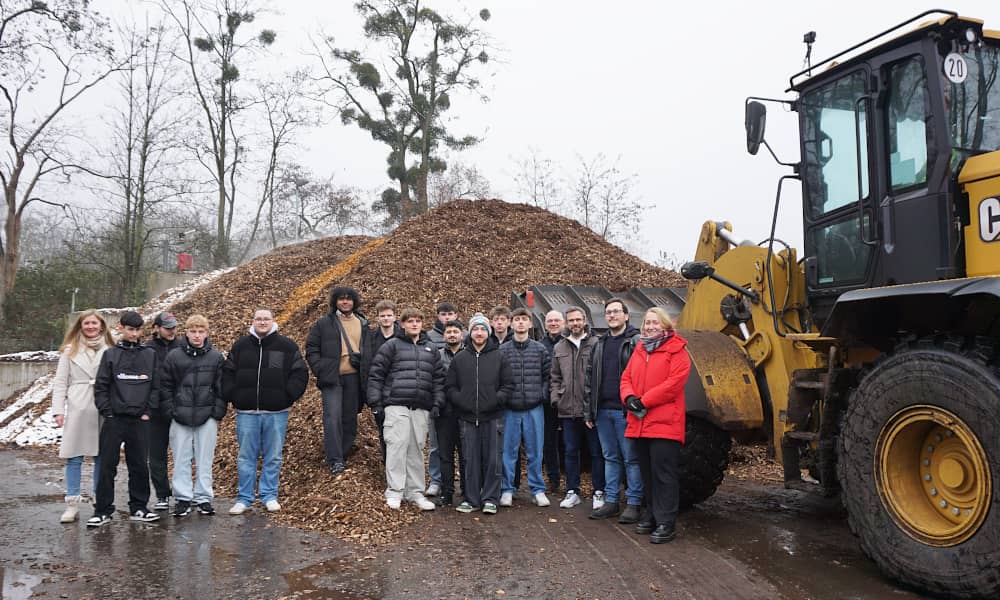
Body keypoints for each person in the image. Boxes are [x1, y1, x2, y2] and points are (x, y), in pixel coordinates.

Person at [222, 308, 308, 515]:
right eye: (258, 319)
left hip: (276, 412)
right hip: (247, 412)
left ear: (273, 321)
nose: (262, 322)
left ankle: (269, 495)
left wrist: (287, 395)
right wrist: (233, 395)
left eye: (266, 319)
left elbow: (300, 373)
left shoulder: (286, 346)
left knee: (273, 456)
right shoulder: (241, 346)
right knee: (245, 457)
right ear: (253, 321)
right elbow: (227, 373)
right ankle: (244, 498)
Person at [620, 307, 691, 544]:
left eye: (654, 323)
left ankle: (666, 521)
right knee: (647, 473)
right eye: (647, 323)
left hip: (664, 422)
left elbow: (674, 384)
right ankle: (651, 514)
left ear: (665, 325)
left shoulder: (677, 350)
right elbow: (626, 377)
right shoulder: (640, 349)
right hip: (640, 422)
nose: (650, 327)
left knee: (664, 474)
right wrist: (629, 397)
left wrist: (644, 400)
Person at [367, 308, 444, 511]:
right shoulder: (392, 346)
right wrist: (376, 402)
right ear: (402, 324)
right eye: (410, 321)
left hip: (421, 407)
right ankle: (395, 492)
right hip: (396, 404)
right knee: (397, 447)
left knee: (416, 449)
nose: (414, 324)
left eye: (418, 321)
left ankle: (415, 492)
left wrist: (437, 403)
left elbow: (438, 379)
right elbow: (376, 374)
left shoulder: (431, 349)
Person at [89, 310, 161, 527]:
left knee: (139, 465)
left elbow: (156, 386)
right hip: (115, 419)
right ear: (121, 328)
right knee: (107, 466)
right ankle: (103, 510)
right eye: (130, 329)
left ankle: (139, 507)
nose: (134, 334)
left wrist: (149, 411)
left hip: (140, 419)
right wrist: (107, 412)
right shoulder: (110, 354)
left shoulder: (149, 354)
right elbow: (101, 387)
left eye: (138, 329)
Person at [445, 313, 513, 514]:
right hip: (467, 417)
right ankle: (471, 499)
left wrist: (495, 400)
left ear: (488, 332)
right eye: (476, 329)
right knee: (470, 459)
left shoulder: (499, 356)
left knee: (492, 459)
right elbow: (450, 386)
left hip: (492, 416)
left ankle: (491, 498)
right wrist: (461, 402)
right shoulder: (460, 358)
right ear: (470, 332)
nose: (479, 332)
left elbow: (508, 385)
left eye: (483, 329)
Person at [159, 315, 226, 517]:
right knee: (181, 458)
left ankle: (203, 497)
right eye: (193, 331)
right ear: (186, 333)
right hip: (180, 414)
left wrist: (217, 412)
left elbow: (221, 388)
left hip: (206, 415)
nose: (197, 336)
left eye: (201, 331)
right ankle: (183, 498)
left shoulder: (216, 357)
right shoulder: (174, 357)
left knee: (205, 458)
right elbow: (165, 386)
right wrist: (170, 410)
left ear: (206, 333)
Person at [52, 310, 114, 523]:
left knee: (101, 456)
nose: (90, 326)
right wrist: (58, 409)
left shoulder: (110, 350)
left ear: (101, 326)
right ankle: (72, 503)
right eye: (86, 323)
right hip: (78, 405)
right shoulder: (69, 351)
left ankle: (100, 499)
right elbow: (60, 382)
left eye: (94, 323)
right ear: (80, 326)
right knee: (74, 456)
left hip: (102, 405)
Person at [585, 298, 643, 522]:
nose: (612, 315)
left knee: (631, 458)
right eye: (608, 312)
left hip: (624, 411)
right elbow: (590, 379)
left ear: (626, 316)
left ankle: (634, 502)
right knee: (610, 457)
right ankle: (611, 501)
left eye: (616, 312)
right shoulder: (599, 344)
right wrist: (589, 411)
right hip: (602, 411)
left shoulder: (635, 341)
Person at [306, 287, 366, 476]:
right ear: (335, 302)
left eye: (349, 299)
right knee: (332, 418)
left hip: (354, 377)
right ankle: (335, 459)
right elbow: (311, 348)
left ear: (354, 302)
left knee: (349, 418)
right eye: (341, 299)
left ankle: (344, 452)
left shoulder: (363, 323)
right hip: (332, 378)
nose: (345, 302)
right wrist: (320, 369)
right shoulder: (324, 324)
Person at [549, 306, 604, 510]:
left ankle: (599, 492)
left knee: (596, 452)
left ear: (584, 320)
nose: (574, 323)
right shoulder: (560, 347)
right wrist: (556, 398)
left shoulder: (596, 343)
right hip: (567, 409)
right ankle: (572, 491)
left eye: (578, 320)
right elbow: (554, 377)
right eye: (571, 320)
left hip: (590, 408)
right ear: (566, 323)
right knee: (571, 452)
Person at [498, 308, 551, 507]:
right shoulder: (502, 351)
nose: (520, 323)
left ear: (530, 324)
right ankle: (507, 489)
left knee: (535, 451)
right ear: (511, 324)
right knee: (508, 451)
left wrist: (541, 395)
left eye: (524, 320)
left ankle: (537, 489)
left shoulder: (539, 349)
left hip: (533, 408)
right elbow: (498, 379)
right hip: (510, 409)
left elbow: (547, 377)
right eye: (517, 320)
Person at [146, 311, 184, 511]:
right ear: (156, 329)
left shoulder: (183, 346)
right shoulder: (148, 349)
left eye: (174, 327)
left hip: (179, 408)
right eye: (167, 328)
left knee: (183, 454)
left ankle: (182, 493)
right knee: (157, 456)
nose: (171, 331)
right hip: (156, 411)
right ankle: (162, 494)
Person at [423, 301, 462, 497]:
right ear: (438, 316)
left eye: (450, 314)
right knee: (437, 446)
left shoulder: (465, 340)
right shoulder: (429, 338)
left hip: (461, 405)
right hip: (439, 403)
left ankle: (466, 483)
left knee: (463, 447)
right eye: (443, 314)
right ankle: (436, 480)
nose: (447, 317)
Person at [361, 299, 402, 462]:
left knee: (402, 435)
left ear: (395, 317)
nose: (386, 318)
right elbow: (366, 367)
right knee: (385, 433)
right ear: (377, 318)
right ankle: (389, 472)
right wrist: (370, 397)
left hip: (401, 393)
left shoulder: (403, 337)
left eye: (389, 315)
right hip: (380, 394)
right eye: (382, 315)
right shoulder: (370, 338)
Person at [432, 320, 466, 506]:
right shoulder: (437, 356)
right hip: (444, 412)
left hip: (465, 412)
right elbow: (435, 381)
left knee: (465, 454)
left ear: (462, 334)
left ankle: (467, 490)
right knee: (445, 455)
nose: (452, 334)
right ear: (444, 336)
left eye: (455, 331)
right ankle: (447, 492)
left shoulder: (469, 354)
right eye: (449, 332)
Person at [540, 310, 565, 492]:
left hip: (571, 399)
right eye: (550, 321)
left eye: (557, 320)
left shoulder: (569, 343)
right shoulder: (540, 345)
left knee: (573, 443)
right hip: (549, 401)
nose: (553, 323)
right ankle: (554, 478)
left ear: (563, 323)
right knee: (549, 441)